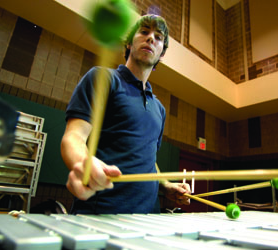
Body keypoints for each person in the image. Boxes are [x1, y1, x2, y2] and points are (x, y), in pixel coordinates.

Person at [61, 14, 191, 214]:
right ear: (129, 43)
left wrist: (165, 185)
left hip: (148, 217)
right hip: (100, 213)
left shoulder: (159, 109)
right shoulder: (103, 78)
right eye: (144, 32)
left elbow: (147, 157)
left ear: (161, 54)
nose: (151, 38)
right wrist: (83, 163)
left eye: (158, 37)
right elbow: (74, 137)